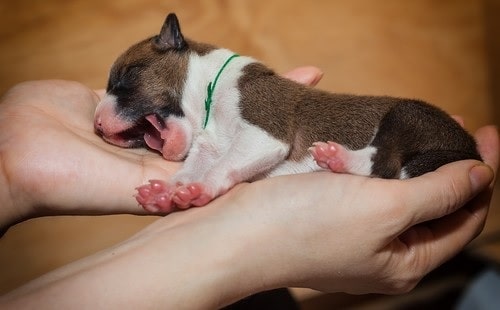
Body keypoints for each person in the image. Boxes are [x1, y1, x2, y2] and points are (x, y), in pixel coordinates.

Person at [0, 67, 497, 309]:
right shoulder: (210, 116)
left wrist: (11, 176)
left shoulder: (239, 92)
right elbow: (221, 155)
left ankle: (373, 163)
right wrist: (204, 197)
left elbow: (261, 145)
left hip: (407, 144)